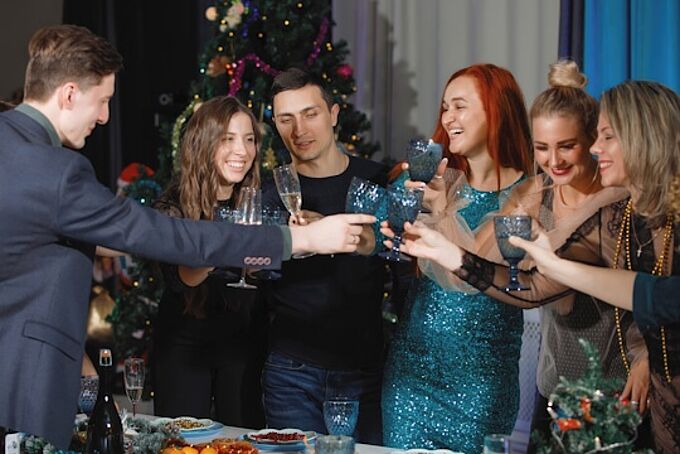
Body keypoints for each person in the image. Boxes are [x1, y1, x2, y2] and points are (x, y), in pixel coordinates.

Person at [0, 25, 374, 448]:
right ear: (69, 94)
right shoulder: (56, 170)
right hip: (23, 377)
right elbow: (161, 235)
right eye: (102, 101)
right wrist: (298, 241)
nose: (104, 117)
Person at [384, 80, 679, 453]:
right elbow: (544, 284)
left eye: (603, 138)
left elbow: (654, 294)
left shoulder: (617, 207)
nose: (594, 149)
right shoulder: (578, 206)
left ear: (642, 139)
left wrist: (646, 352)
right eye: (542, 147)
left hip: (621, 394)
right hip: (563, 391)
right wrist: (447, 240)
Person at [381, 64, 533, 453]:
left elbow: (478, 267)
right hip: (411, 378)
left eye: (460, 106)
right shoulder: (429, 177)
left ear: (496, 111)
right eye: (445, 107)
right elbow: (376, 231)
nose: (448, 118)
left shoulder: (530, 191)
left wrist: (441, 214)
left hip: (483, 385)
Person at [261, 68, 388, 444]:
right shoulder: (271, 193)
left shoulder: (377, 181)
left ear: (333, 114)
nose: (299, 129)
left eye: (310, 114)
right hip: (291, 374)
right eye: (286, 119)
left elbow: (403, 264)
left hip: (364, 371)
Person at [151, 96, 268, 426]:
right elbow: (181, 278)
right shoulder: (173, 206)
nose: (242, 151)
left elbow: (263, 271)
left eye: (249, 139)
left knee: (245, 441)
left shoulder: (257, 201)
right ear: (204, 143)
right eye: (228, 139)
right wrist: (226, 244)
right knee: (183, 441)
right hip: (185, 343)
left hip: (244, 342)